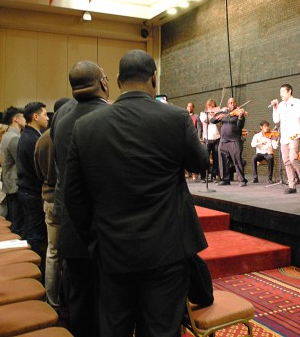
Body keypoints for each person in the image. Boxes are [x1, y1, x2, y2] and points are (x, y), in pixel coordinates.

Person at [63, 49, 207, 336]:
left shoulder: (85, 126)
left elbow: (73, 195)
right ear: (154, 78)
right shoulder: (175, 118)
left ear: (116, 81)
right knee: (161, 330)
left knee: (114, 329)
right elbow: (200, 164)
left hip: (112, 252)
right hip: (166, 251)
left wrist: (94, 239)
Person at [53, 61, 110, 337]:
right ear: (104, 83)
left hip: (73, 229)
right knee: (108, 306)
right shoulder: (113, 117)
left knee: (79, 301)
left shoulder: (61, 123)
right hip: (106, 231)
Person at [34, 98, 70, 310]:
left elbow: (37, 170)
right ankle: (67, 298)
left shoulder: (43, 139)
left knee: (53, 252)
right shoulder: (67, 135)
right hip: (65, 201)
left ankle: (52, 300)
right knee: (68, 254)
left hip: (48, 198)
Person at [16, 101, 49, 264]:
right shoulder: (33, 138)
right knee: (36, 234)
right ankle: (34, 267)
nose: (48, 118)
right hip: (32, 192)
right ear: (35, 117)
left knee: (29, 229)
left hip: (26, 190)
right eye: (44, 114)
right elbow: (39, 169)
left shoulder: (26, 135)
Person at [271, 84, 300, 194]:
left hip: (294, 135)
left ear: (289, 91)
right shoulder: (281, 105)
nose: (281, 94)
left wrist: (291, 109)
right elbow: (276, 119)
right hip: (284, 137)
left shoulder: (297, 102)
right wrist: (275, 107)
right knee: (286, 161)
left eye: (283, 91)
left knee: (293, 159)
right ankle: (292, 185)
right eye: (280, 92)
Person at [0, 106, 26, 236]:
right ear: (16, 119)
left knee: (16, 219)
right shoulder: (14, 138)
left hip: (9, 182)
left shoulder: (7, 135)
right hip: (15, 183)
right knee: (18, 223)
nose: (25, 119)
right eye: (23, 116)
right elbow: (22, 161)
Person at [211, 97, 248, 186]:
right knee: (223, 160)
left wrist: (240, 117)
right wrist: (218, 113)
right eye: (230, 103)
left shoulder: (239, 113)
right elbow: (212, 120)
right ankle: (225, 179)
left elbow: (240, 127)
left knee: (237, 160)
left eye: (233, 102)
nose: (232, 104)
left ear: (236, 103)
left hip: (234, 140)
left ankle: (242, 180)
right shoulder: (224, 113)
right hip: (223, 140)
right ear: (227, 105)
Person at [199, 99, 221, 182]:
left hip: (217, 137)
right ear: (207, 106)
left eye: (213, 106)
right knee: (205, 158)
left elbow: (219, 121)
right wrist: (211, 115)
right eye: (210, 106)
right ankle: (204, 176)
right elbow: (206, 121)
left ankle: (214, 175)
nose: (212, 108)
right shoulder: (203, 114)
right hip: (207, 138)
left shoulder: (217, 114)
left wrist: (216, 114)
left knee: (216, 158)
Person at [186, 102, 203, 180]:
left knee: (194, 156)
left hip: (194, 139)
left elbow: (199, 128)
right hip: (186, 139)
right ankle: (188, 173)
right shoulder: (185, 116)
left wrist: (198, 138)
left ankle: (194, 173)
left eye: (191, 107)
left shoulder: (196, 117)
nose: (189, 108)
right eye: (188, 107)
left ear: (193, 108)